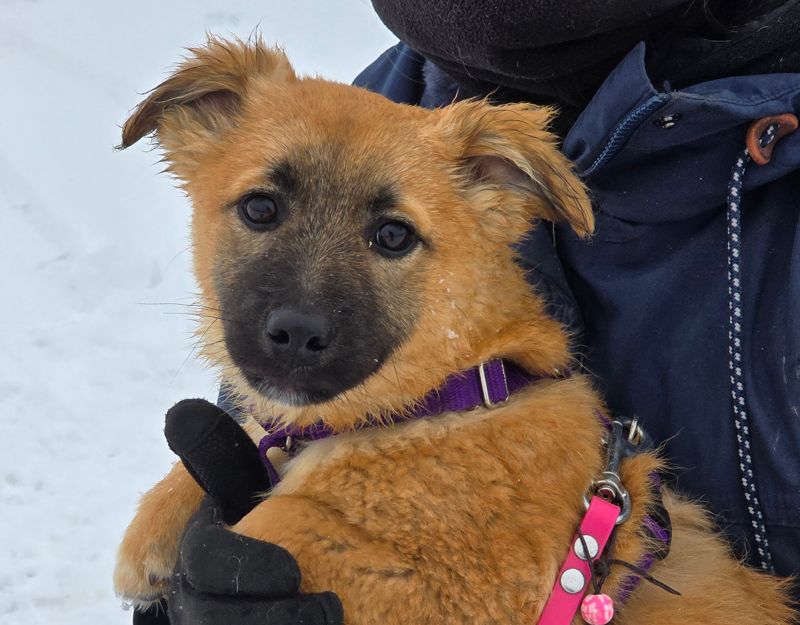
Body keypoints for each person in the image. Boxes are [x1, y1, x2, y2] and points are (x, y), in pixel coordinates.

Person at [133, 1, 800, 622]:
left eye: (392, 236)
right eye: (261, 211)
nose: (299, 312)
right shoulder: (368, 101)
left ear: (506, 189)